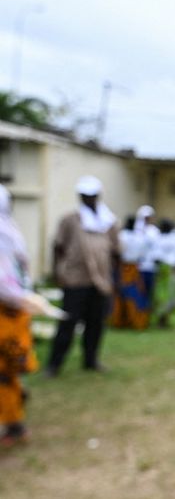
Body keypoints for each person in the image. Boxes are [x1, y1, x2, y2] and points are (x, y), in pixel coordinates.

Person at [46, 175, 120, 375]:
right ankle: (54, 364)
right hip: (76, 279)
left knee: (95, 323)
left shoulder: (108, 221)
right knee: (68, 322)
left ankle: (90, 359)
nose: (89, 199)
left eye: (92, 195)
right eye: (85, 196)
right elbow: (58, 247)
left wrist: (115, 277)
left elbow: (116, 251)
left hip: (101, 281)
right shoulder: (70, 220)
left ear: (98, 196)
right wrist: (57, 272)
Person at [0, 184, 38, 446]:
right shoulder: (13, 232)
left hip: (8, 311)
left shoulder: (5, 235)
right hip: (16, 309)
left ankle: (15, 425)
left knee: (4, 371)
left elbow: (8, 281)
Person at [109, 215, 151, 329]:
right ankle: (136, 321)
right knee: (135, 295)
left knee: (119, 294)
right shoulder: (139, 238)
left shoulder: (121, 236)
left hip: (122, 267)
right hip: (134, 268)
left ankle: (118, 320)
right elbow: (143, 254)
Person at [153, 219, 175, 328]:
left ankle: (164, 318)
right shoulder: (171, 238)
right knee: (164, 295)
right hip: (165, 270)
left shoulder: (170, 238)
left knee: (165, 295)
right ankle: (162, 318)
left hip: (164, 269)